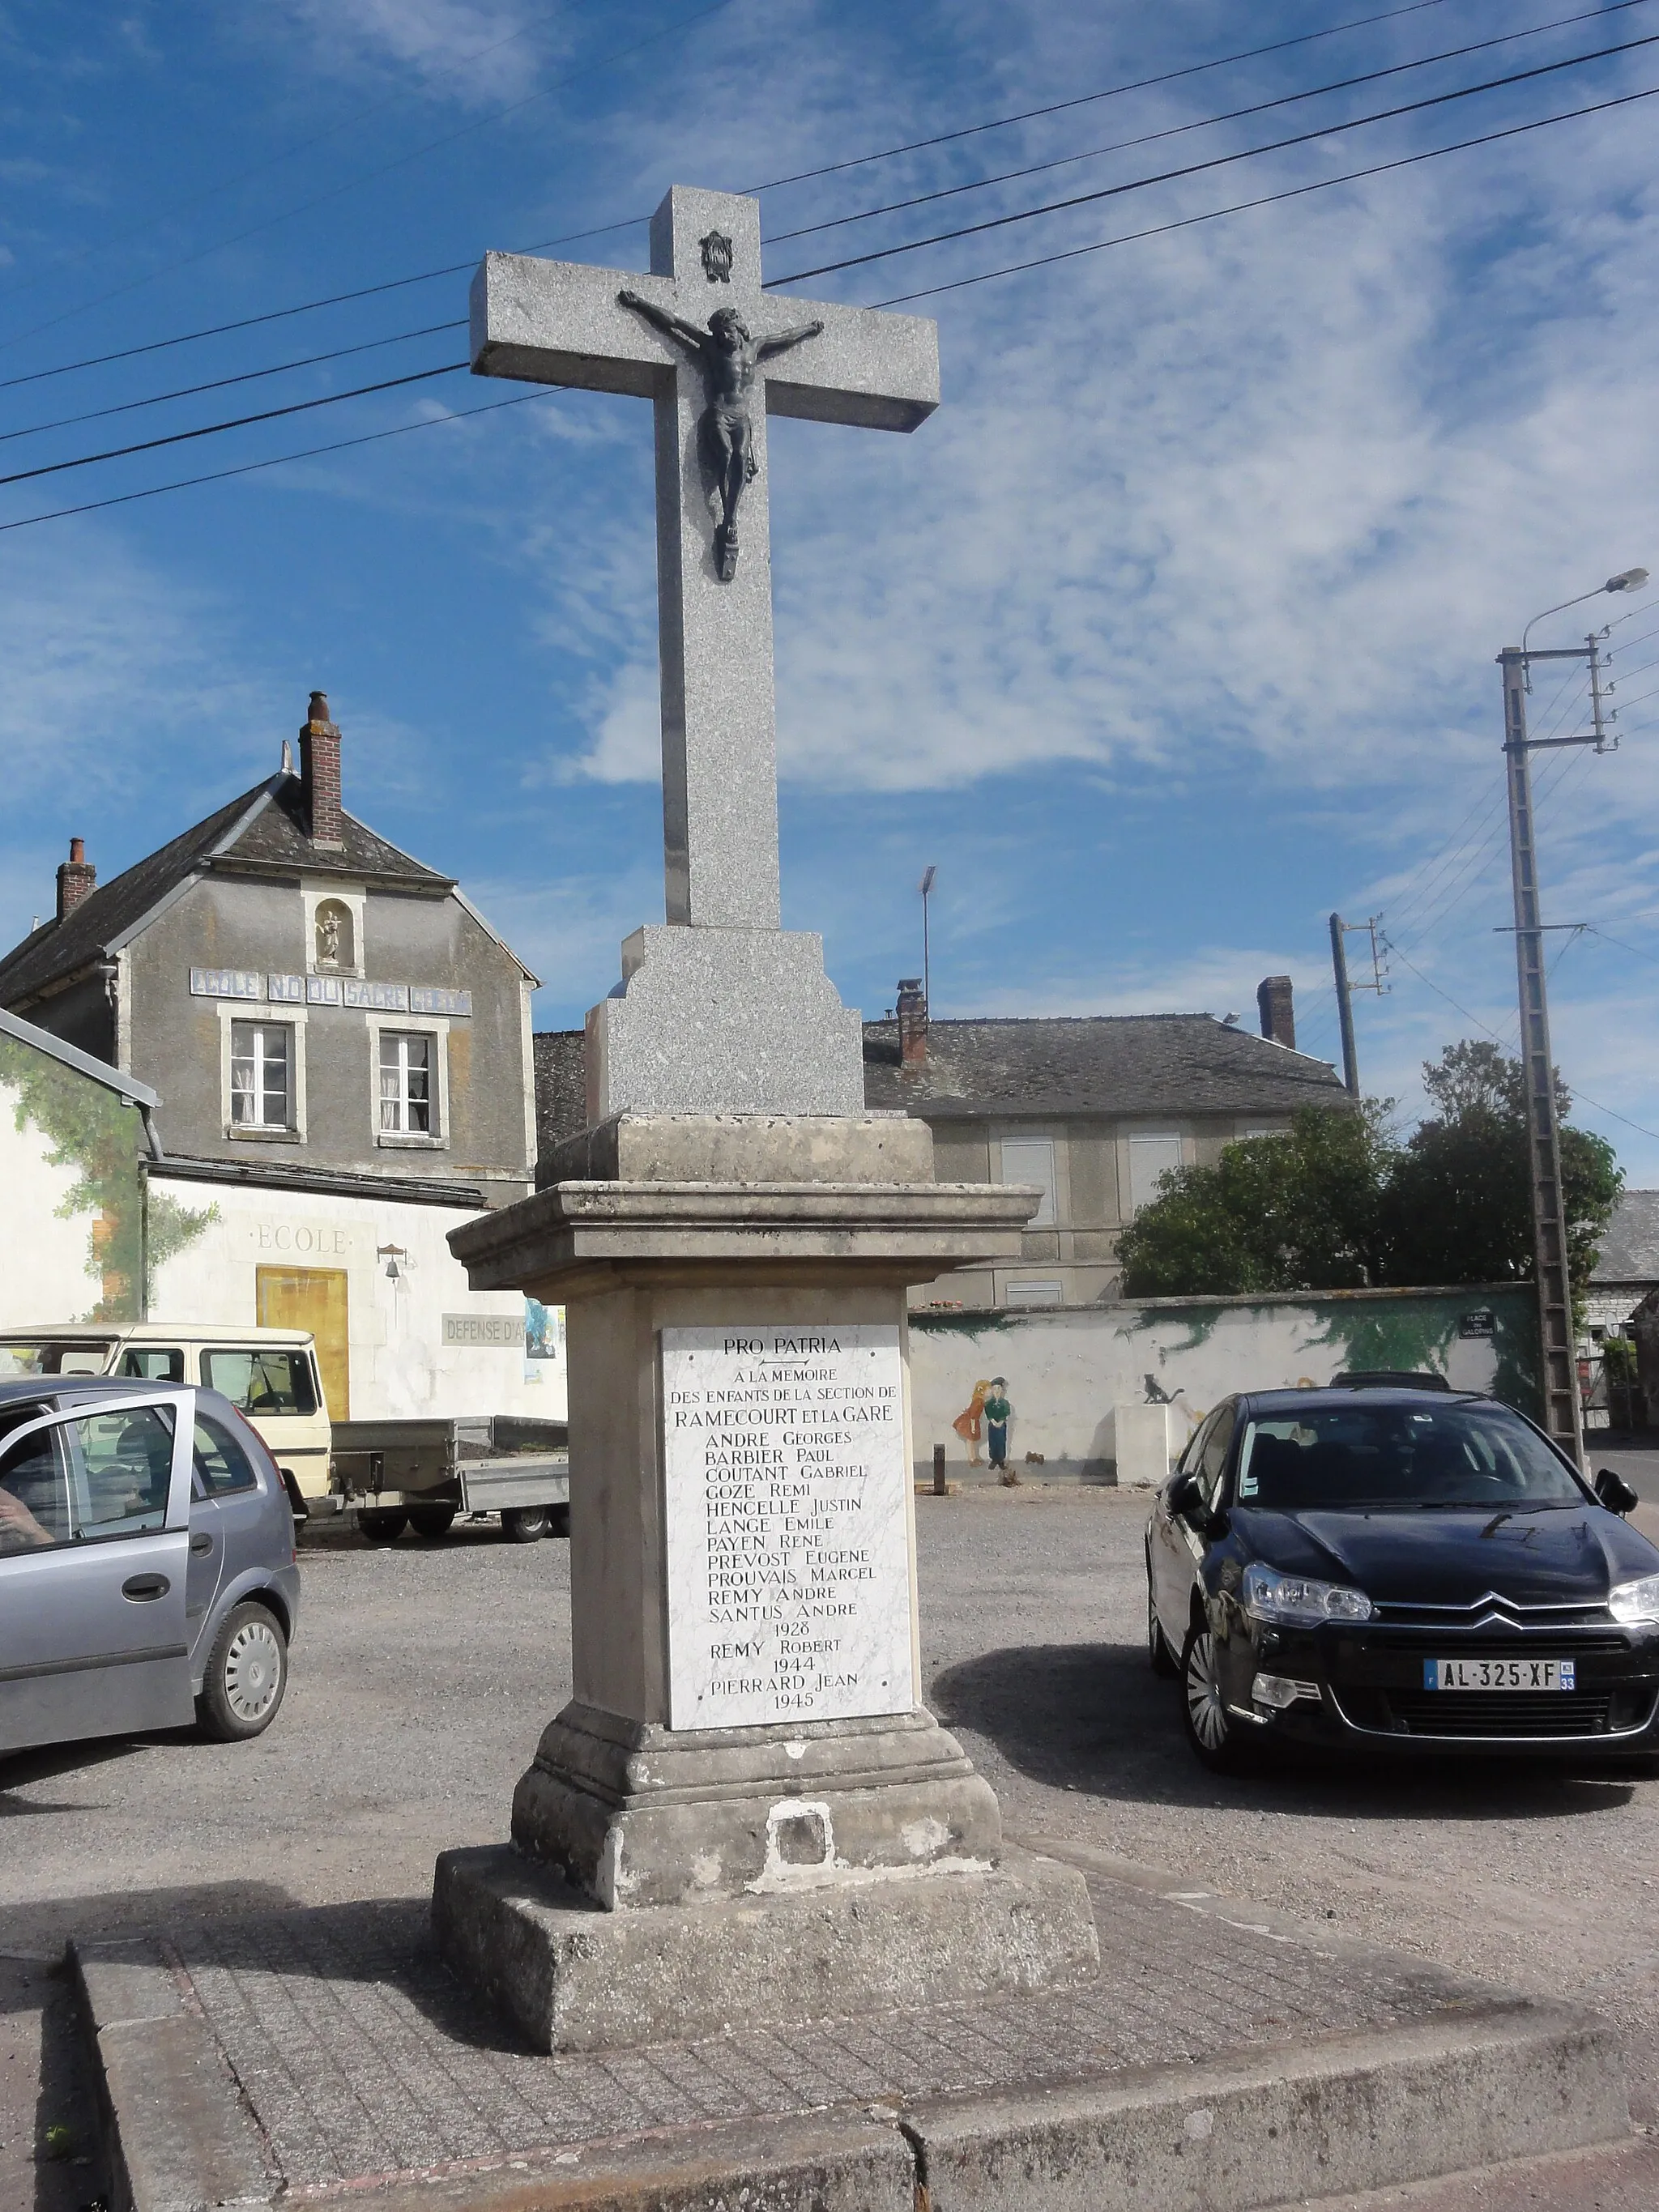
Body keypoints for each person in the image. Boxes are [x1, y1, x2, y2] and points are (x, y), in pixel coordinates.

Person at [616, 290, 824, 579]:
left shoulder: (755, 348)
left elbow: (785, 338)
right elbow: (673, 323)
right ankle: (727, 515)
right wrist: (639, 303)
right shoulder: (709, 348)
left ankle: (729, 518)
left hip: (741, 418)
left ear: (738, 329)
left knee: (740, 457)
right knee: (725, 455)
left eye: (725, 331)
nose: (722, 337)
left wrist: (810, 330)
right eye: (718, 333)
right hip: (718, 413)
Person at [952, 1380, 991, 1467]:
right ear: (982, 1390)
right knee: (970, 1441)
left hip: (971, 1421)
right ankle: (972, 1459)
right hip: (969, 1423)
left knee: (971, 1442)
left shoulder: (979, 1400)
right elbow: (973, 1415)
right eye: (988, 1389)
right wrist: (973, 1427)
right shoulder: (979, 1401)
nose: (990, 1391)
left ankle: (973, 1457)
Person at [984, 1378, 1013, 1477]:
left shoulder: (1005, 1403)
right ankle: (993, 1459)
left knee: (1001, 1442)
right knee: (993, 1442)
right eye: (995, 1389)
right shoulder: (989, 1403)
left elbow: (1005, 1413)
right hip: (992, 1425)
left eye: (999, 1389)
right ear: (992, 1390)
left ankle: (1001, 1460)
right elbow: (989, 1414)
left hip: (1001, 1425)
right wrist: (993, 1422)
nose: (997, 1391)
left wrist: (1001, 1422)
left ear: (1002, 1390)